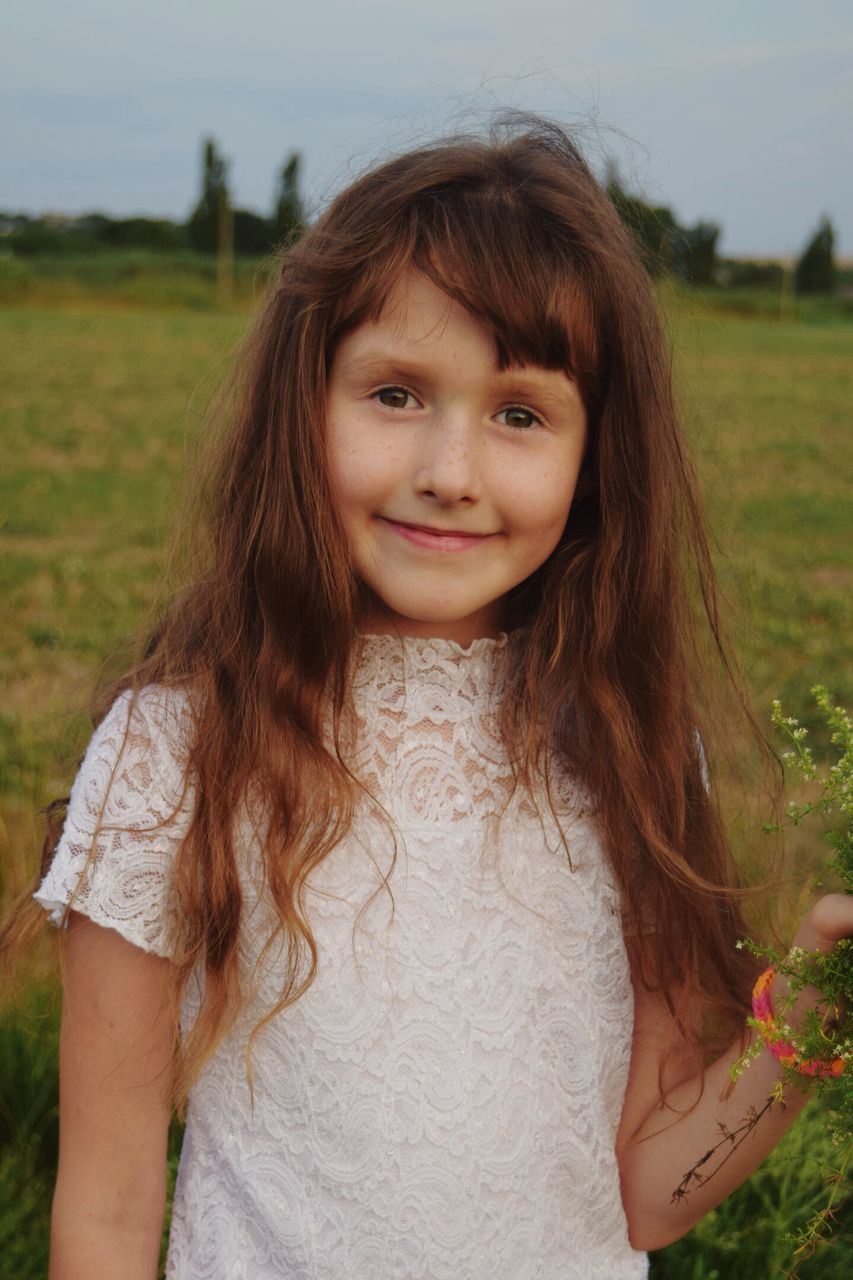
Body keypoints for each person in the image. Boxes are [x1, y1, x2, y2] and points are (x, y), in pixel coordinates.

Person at [12, 115, 852, 1279]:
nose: (448, 472)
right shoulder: (176, 749)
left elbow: (650, 1198)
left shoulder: (632, 747)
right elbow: (104, 1216)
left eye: (519, 413)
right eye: (396, 393)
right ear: (302, 402)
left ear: (593, 459)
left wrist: (812, 1010)